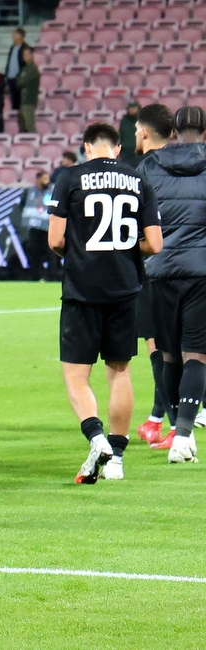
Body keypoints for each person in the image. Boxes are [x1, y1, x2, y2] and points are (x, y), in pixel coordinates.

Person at [47, 122, 162, 482]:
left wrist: (80, 250)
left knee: (76, 374)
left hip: (82, 289)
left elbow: (55, 239)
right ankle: (118, 458)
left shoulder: (70, 178)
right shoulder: (138, 180)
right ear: (116, 149)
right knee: (120, 371)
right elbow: (154, 244)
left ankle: (96, 438)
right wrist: (125, 251)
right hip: (125, 288)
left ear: (86, 148)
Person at [138, 105, 206, 463]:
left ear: (174, 132)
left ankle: (179, 432)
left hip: (158, 269)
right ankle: (182, 436)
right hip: (201, 270)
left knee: (167, 355)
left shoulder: (149, 166)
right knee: (196, 353)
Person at [132, 104, 178, 447]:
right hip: (191, 265)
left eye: (135, 129)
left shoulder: (143, 171)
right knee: (181, 347)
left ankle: (174, 422)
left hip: (154, 265)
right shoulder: (186, 165)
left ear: (145, 132)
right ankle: (157, 417)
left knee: (157, 346)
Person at [11, 170, 59, 281]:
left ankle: (52, 276)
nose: (47, 181)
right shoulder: (29, 191)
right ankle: (35, 275)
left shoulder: (52, 191)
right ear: (38, 179)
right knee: (34, 252)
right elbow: (22, 204)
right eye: (45, 179)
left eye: (48, 179)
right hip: (34, 227)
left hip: (49, 227)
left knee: (51, 252)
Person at [5, 28, 32, 112]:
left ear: (21, 36)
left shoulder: (26, 49)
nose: (12, 36)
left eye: (15, 34)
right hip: (11, 79)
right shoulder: (12, 48)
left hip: (20, 80)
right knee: (14, 103)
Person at [15, 47, 39, 134]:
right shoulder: (25, 69)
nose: (26, 56)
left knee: (29, 125)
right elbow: (18, 81)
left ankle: (34, 143)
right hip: (23, 101)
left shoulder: (33, 69)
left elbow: (20, 82)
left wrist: (20, 80)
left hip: (29, 100)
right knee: (22, 126)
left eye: (28, 54)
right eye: (24, 55)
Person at [119, 102, 143, 168]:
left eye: (134, 108)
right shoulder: (124, 121)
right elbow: (121, 135)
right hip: (126, 151)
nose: (132, 110)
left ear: (138, 109)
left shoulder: (142, 121)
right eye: (130, 108)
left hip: (139, 151)